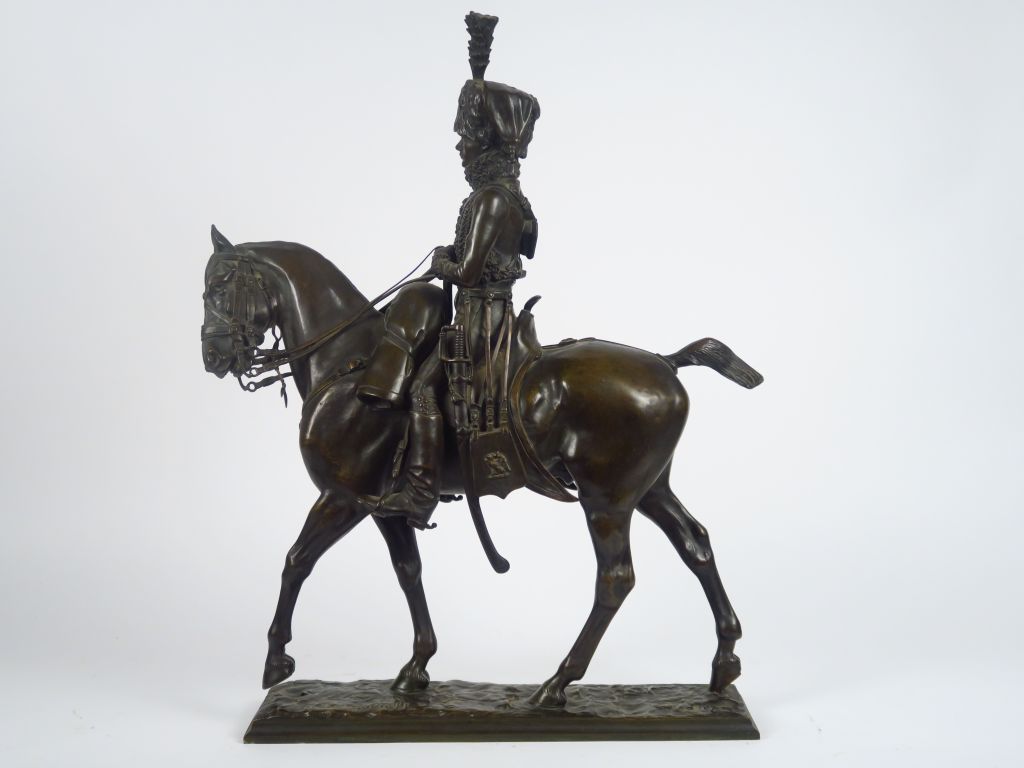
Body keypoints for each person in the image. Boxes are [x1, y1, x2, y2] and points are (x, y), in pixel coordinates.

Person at [357, 13, 540, 528]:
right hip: (487, 312)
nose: (460, 147)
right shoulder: (508, 198)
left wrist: (442, 262)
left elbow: (469, 270)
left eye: (467, 139)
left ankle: (420, 492)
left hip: (481, 320)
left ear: (487, 144)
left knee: (420, 390)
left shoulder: (490, 200)